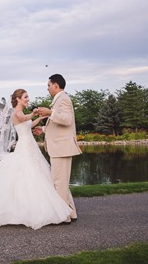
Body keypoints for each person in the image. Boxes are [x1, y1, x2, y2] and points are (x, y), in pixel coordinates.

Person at [0, 89, 72, 230]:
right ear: (18, 99)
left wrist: (39, 120)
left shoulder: (22, 113)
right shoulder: (16, 113)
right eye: (25, 97)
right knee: (25, 173)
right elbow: (24, 119)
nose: (28, 99)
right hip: (24, 147)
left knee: (36, 174)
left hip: (30, 146)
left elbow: (28, 125)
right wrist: (35, 113)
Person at [33, 74, 82, 223]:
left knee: (59, 183)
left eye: (48, 85)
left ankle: (62, 217)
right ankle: (70, 213)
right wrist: (44, 128)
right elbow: (58, 125)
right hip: (59, 147)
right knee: (61, 182)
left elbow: (67, 120)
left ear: (56, 85)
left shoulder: (64, 99)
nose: (47, 88)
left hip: (62, 148)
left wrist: (50, 112)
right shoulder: (59, 100)